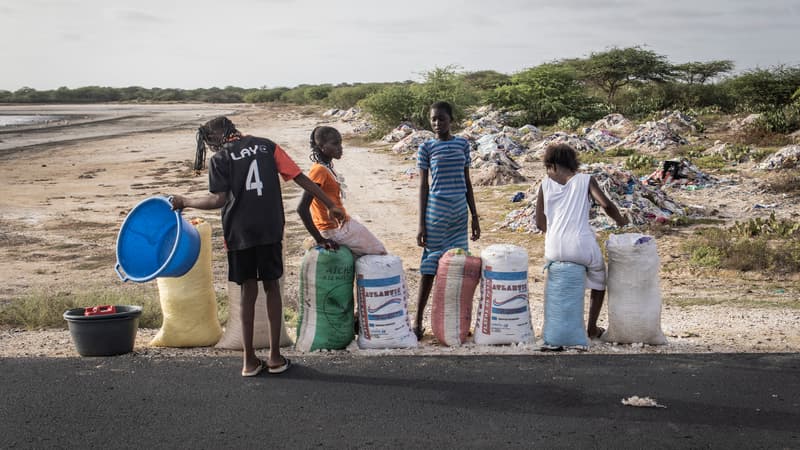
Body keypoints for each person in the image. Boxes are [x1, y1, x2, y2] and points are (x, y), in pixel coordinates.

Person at [170, 116, 344, 377]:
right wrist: (329, 203)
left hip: (239, 233)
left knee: (247, 292)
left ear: (215, 137)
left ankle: (249, 361)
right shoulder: (266, 146)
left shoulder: (220, 159)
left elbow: (218, 199)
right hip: (270, 228)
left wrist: (185, 200)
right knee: (272, 287)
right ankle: (274, 357)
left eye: (209, 141)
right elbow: (299, 177)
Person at [534, 143, 629, 339]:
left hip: (552, 248)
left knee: (556, 285)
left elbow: (540, 223)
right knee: (599, 280)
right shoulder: (585, 180)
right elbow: (606, 204)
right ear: (573, 163)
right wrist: (620, 220)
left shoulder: (544, 185)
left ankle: (556, 327)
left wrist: (554, 231)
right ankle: (592, 328)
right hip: (581, 245)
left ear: (550, 164)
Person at [414, 101, 481, 340]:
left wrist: (474, 216)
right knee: (430, 266)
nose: (437, 123)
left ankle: (453, 322)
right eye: (433, 119)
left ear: (450, 120)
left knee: (457, 267)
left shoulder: (462, 144)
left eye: (441, 119)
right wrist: (421, 223)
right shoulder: (426, 148)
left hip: (458, 214)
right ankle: (418, 320)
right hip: (436, 213)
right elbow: (423, 186)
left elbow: (467, 182)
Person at [297, 125, 387, 257]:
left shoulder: (327, 167)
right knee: (379, 252)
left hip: (339, 226)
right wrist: (320, 239)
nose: (340, 148)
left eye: (340, 143)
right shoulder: (319, 170)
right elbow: (302, 208)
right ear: (321, 145)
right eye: (335, 144)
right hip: (332, 230)